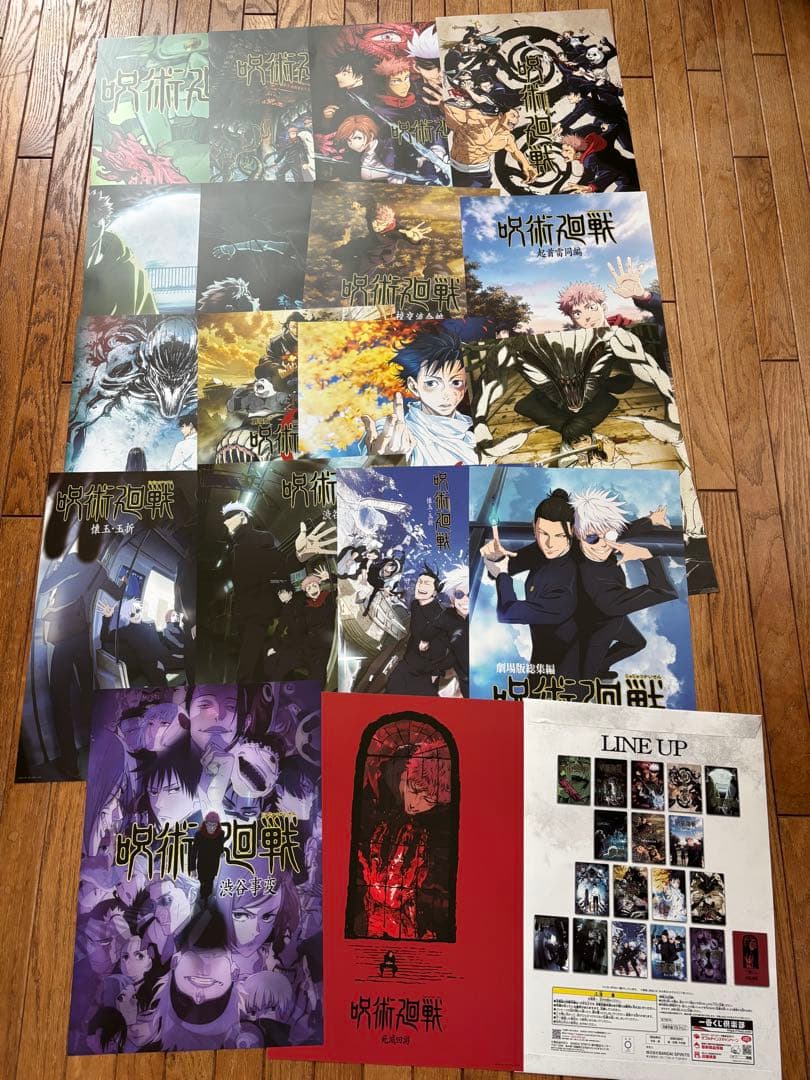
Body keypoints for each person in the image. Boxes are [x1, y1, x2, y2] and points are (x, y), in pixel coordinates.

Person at [571, 490, 678, 678]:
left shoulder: (582, 546)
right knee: (586, 674)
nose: (604, 545)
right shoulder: (608, 599)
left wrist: (650, 520)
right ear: (577, 533)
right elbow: (664, 591)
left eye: (610, 535)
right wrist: (646, 557)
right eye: (592, 538)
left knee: (637, 643)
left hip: (605, 615)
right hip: (599, 625)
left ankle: (601, 667)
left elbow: (617, 531)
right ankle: (595, 671)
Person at [481, 488, 580, 676]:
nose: (550, 544)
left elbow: (508, 612)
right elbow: (506, 566)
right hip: (540, 653)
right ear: (534, 527)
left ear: (571, 531)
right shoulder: (540, 550)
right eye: (543, 533)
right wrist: (495, 557)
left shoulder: (569, 583)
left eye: (559, 535)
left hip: (568, 664)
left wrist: (501, 573)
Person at [442, 95, 537, 187]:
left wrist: (526, 165)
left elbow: (515, 151)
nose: (516, 120)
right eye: (513, 115)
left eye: (517, 117)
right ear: (500, 115)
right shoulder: (476, 118)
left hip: (479, 174)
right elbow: (446, 108)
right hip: (452, 168)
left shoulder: (506, 138)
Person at [385, 567, 449, 696]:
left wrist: (434, 675)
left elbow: (442, 648)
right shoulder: (415, 605)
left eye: (427, 583)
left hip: (425, 673)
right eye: (420, 582)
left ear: (435, 592)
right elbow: (414, 633)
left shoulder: (440, 616)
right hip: (407, 664)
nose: (421, 586)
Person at [99, 597, 178, 686]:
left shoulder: (150, 624)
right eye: (131, 614)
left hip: (164, 655)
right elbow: (104, 637)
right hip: (151, 663)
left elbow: (158, 640)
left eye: (137, 610)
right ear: (126, 616)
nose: (136, 615)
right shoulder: (126, 631)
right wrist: (107, 617)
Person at [189, 811, 227, 904]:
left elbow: (220, 847)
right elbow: (193, 852)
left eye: (214, 825)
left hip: (214, 865)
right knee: (202, 883)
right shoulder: (199, 834)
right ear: (205, 823)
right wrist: (193, 868)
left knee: (210, 883)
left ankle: (206, 902)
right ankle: (202, 900)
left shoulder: (221, 833)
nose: (212, 827)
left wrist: (222, 853)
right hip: (202, 864)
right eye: (210, 825)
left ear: (217, 824)